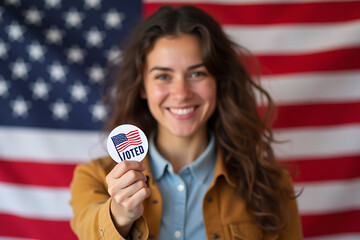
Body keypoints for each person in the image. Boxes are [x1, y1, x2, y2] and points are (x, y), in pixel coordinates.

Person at [69, 5, 303, 240]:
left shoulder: (269, 183)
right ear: (142, 86)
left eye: (196, 74)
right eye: (163, 76)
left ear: (218, 81)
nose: (181, 93)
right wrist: (119, 215)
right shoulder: (94, 177)